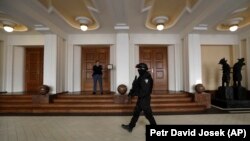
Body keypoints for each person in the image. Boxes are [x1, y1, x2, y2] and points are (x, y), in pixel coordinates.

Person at [121, 63, 156, 132]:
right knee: (136, 114)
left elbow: (145, 91)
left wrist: (135, 93)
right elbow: (137, 87)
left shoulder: (146, 78)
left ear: (142, 69)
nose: (138, 70)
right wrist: (131, 93)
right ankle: (130, 126)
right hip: (140, 99)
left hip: (145, 100)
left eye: (139, 69)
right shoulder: (141, 76)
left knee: (149, 116)